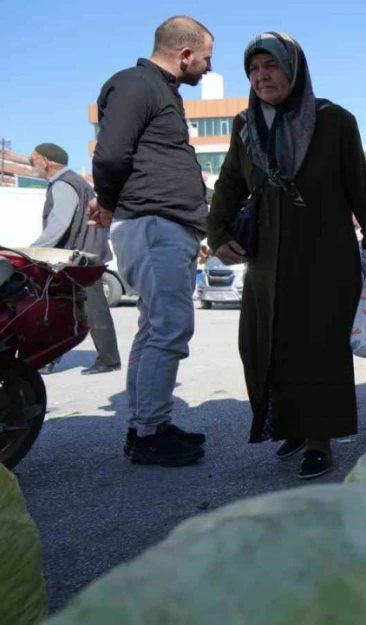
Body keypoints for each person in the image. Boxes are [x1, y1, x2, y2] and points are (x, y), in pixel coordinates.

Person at [207, 32, 366, 480]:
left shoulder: (334, 120)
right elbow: (230, 183)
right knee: (266, 343)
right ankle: (289, 424)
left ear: (293, 68)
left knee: (318, 346)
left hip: (324, 255)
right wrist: (217, 232)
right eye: (253, 69)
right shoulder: (245, 124)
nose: (261, 76)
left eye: (270, 66)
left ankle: (320, 439)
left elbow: (357, 187)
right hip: (267, 257)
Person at [90, 15, 213, 467]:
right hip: (154, 224)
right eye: (205, 58)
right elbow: (110, 155)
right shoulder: (137, 84)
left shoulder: (158, 89)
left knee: (154, 328)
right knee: (168, 329)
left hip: (162, 225)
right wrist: (106, 201)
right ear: (185, 54)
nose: (207, 67)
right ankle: (149, 433)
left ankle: (146, 424)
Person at [30, 143, 121, 376]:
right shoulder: (74, 182)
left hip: (80, 258)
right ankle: (50, 358)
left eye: (33, 160)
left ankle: (108, 360)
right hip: (83, 255)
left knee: (91, 307)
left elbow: (59, 223)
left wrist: (34, 250)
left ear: (45, 160)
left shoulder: (63, 184)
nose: (32, 165)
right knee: (63, 307)